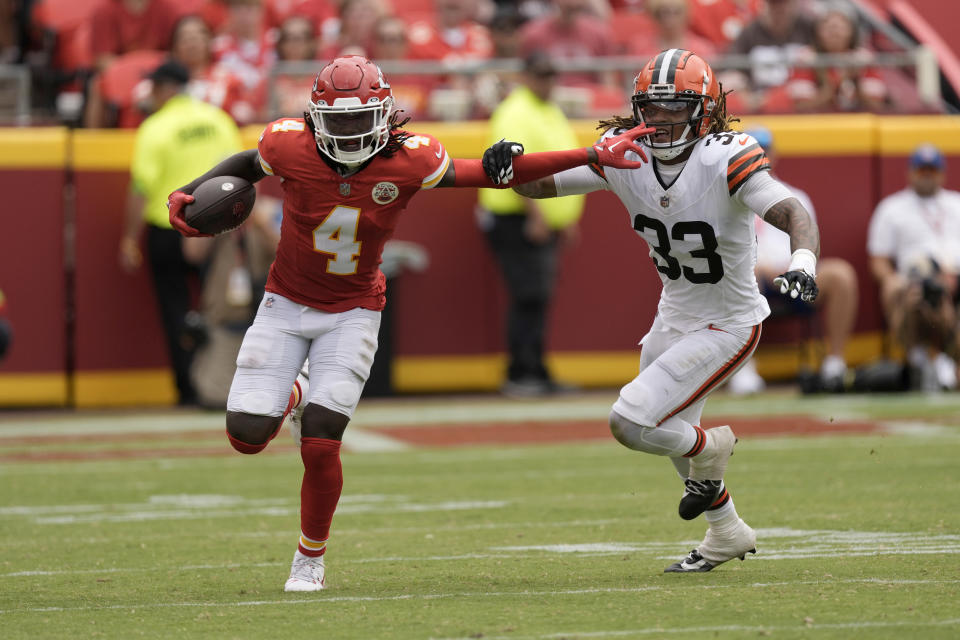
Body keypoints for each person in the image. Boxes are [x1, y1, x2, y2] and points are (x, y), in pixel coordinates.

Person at [165, 54, 653, 591]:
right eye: (338, 120)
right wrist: (191, 190)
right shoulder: (288, 143)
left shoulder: (412, 158)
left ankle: (309, 558)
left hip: (353, 310)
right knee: (247, 436)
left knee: (323, 440)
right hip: (285, 301)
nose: (348, 132)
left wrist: (587, 154)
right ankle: (296, 395)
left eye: (359, 119)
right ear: (315, 117)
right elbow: (244, 163)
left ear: (384, 114)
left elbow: (491, 175)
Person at [485, 49, 821, 572]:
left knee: (631, 421)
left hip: (728, 322)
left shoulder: (724, 156)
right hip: (673, 315)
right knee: (670, 436)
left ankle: (713, 448)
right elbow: (537, 185)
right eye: (652, 107)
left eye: (675, 107)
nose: (661, 119)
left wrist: (803, 263)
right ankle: (726, 532)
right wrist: (506, 163)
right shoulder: (627, 156)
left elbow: (792, 211)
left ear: (706, 110)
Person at [118, 59, 243, 406]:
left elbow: (141, 186)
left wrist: (129, 238)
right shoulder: (218, 119)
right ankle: (217, 384)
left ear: (161, 89)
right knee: (215, 308)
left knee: (175, 309)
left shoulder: (155, 127)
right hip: (216, 228)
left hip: (168, 228)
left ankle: (187, 389)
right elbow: (239, 175)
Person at [478, 52, 584, 397]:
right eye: (541, 75)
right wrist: (536, 215)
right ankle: (521, 372)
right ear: (525, 76)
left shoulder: (547, 109)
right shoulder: (515, 111)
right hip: (516, 218)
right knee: (528, 295)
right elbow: (511, 167)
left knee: (537, 296)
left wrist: (564, 218)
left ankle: (535, 369)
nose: (547, 81)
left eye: (551, 75)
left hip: (538, 219)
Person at [726, 126, 858, 394]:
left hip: (792, 277)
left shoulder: (795, 196)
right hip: (746, 279)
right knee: (744, 273)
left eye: (765, 150)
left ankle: (835, 362)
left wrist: (794, 268)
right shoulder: (726, 197)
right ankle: (744, 367)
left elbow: (810, 244)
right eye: (754, 150)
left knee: (841, 275)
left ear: (775, 154)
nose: (761, 155)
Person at [867, 144, 960, 391]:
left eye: (932, 170)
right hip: (915, 280)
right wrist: (892, 280)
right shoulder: (892, 208)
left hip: (956, 278)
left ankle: (940, 361)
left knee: (938, 294)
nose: (927, 175)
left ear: (942, 173)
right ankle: (925, 359)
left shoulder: (956, 203)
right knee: (917, 294)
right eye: (922, 170)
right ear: (911, 172)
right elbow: (879, 260)